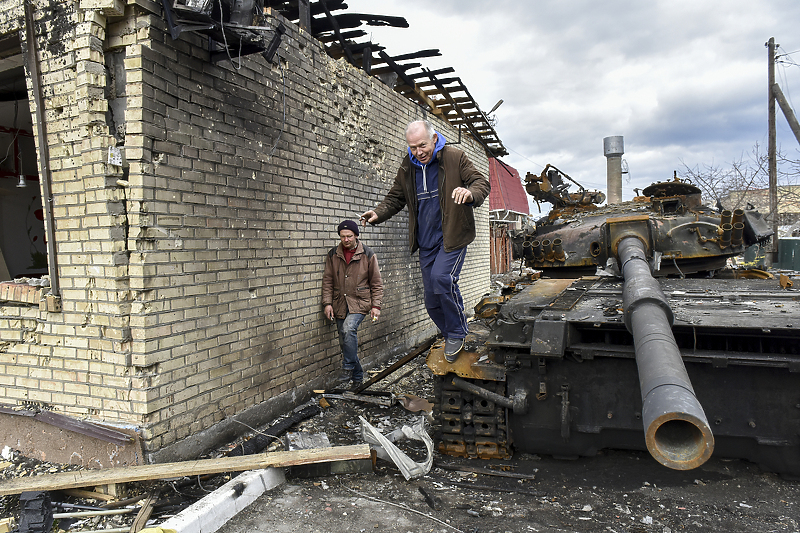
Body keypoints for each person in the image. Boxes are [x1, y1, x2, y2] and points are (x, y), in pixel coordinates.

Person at [361, 120, 490, 363]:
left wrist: (470, 193)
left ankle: (457, 332)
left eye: (422, 145)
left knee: (442, 279)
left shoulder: (454, 157)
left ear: (433, 139)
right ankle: (450, 331)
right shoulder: (408, 165)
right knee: (431, 301)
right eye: (413, 147)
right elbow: (396, 196)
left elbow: (480, 182)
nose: (418, 152)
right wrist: (378, 213)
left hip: (452, 236)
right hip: (427, 240)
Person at [322, 220, 383, 388]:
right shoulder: (333, 254)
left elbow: (376, 283)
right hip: (339, 303)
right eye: (342, 236)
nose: (346, 240)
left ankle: (347, 367)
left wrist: (376, 306)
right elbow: (327, 280)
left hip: (360, 302)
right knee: (345, 342)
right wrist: (327, 303)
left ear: (356, 235)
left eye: (349, 236)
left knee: (349, 329)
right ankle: (357, 379)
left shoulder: (368, 254)